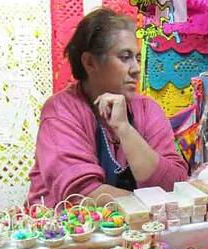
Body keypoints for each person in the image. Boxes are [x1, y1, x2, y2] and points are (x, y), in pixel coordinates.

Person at [27, 8, 188, 207]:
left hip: (128, 231)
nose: (136, 69)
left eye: (137, 58)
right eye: (125, 57)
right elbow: (81, 194)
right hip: (62, 232)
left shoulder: (147, 110)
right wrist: (152, 207)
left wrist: (125, 130)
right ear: (90, 62)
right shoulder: (60, 112)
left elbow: (175, 184)